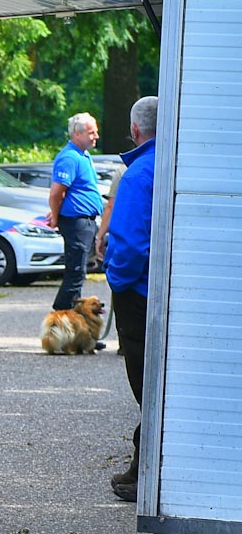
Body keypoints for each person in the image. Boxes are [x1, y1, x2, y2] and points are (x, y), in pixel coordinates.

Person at [97, 95, 159, 502]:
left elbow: (131, 245)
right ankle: (142, 468)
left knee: (147, 386)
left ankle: (146, 474)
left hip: (138, 294)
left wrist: (116, 280)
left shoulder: (139, 174)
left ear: (135, 130)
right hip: (162, 289)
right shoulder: (176, 162)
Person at [48, 112, 104, 316]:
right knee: (75, 271)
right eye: (92, 132)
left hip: (86, 221)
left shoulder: (83, 155)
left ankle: (78, 322)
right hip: (76, 222)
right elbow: (57, 192)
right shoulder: (69, 157)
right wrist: (55, 217)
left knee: (80, 272)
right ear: (77, 134)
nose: (96, 136)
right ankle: (61, 316)